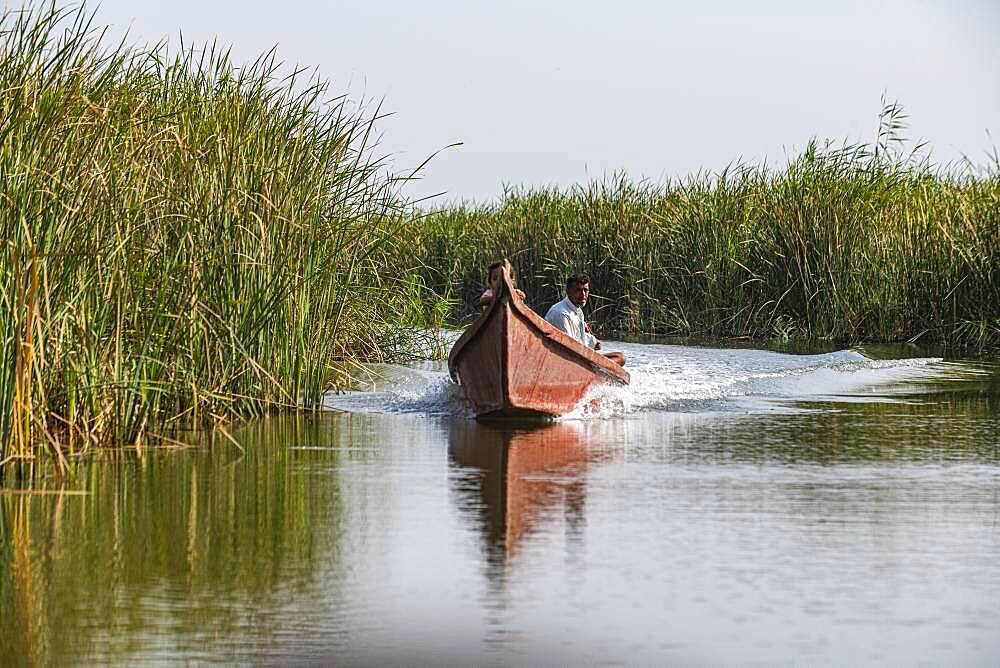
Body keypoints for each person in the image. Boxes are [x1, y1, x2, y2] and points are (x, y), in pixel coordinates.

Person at [544, 273, 626, 366]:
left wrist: (593, 342)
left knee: (619, 357)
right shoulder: (561, 313)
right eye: (578, 290)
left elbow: (578, 338)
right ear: (568, 291)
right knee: (618, 359)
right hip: (565, 361)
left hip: (577, 356)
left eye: (585, 290)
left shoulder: (577, 310)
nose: (583, 294)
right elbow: (568, 348)